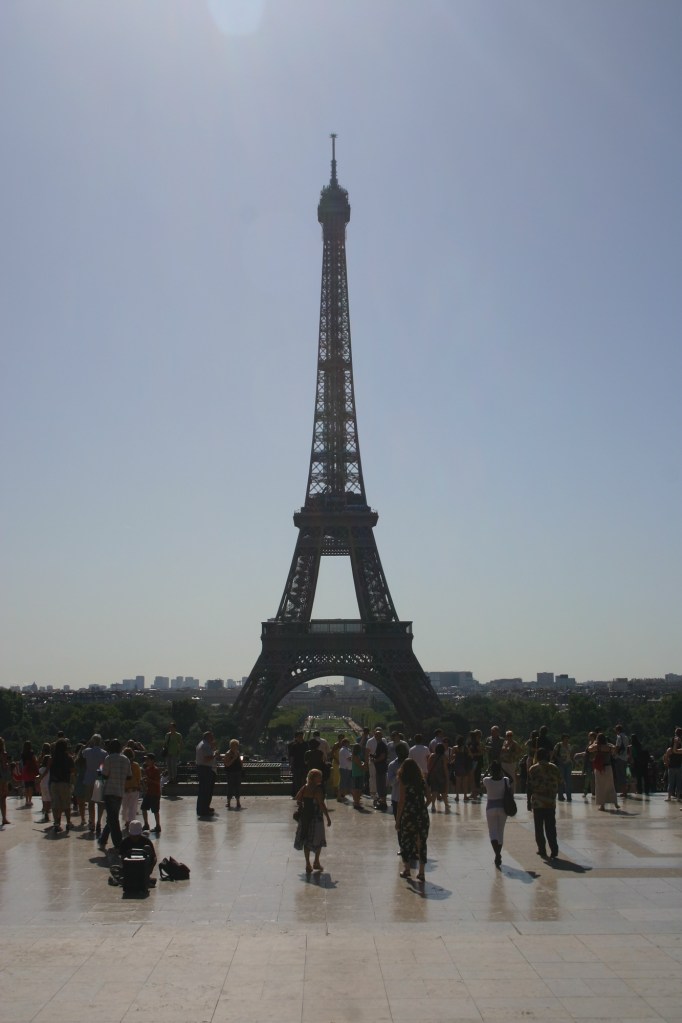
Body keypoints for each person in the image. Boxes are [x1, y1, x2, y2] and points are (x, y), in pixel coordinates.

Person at [395, 758, 429, 881]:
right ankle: (421, 872)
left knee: (406, 841)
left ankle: (407, 869)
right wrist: (422, 807)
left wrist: (398, 820)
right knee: (421, 842)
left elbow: (401, 801)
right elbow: (429, 797)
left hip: (408, 815)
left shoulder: (404, 782)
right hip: (422, 814)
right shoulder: (422, 781)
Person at [294, 768, 331, 874]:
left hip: (305, 817)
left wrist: (304, 803)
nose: (321, 778)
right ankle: (316, 862)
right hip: (316, 818)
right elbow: (322, 805)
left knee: (306, 840)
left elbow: (297, 798)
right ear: (314, 778)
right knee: (318, 839)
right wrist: (328, 817)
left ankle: (307, 864)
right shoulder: (317, 789)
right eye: (319, 776)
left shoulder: (305, 787)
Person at [98, 739, 132, 851]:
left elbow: (104, 775)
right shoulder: (126, 759)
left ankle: (118, 844)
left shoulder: (109, 758)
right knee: (112, 817)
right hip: (119, 791)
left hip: (109, 791)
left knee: (113, 818)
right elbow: (129, 776)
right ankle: (102, 839)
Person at [527, 748, 561, 858]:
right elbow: (560, 782)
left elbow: (529, 786)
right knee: (551, 827)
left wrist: (528, 801)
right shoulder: (554, 768)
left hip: (538, 803)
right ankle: (554, 849)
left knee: (539, 827)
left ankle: (542, 849)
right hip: (550, 802)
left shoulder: (533, 769)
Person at [482, 760, 510, 867]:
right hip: (503, 808)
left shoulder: (487, 780)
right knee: (500, 832)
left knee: (492, 832)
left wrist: (488, 769)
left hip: (490, 808)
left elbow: (481, 780)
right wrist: (503, 769)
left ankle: (497, 854)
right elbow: (511, 778)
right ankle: (498, 853)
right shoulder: (505, 780)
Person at [118, 820, 157, 884]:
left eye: (137, 836)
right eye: (133, 836)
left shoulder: (147, 842)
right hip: (129, 868)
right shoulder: (124, 842)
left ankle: (144, 877)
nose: (135, 838)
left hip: (143, 868)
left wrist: (150, 869)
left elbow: (154, 857)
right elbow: (120, 856)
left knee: (147, 848)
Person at [588, 733, 619, 811]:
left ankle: (602, 805)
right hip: (608, 767)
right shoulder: (608, 746)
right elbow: (615, 749)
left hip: (599, 768)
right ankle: (615, 803)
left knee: (599, 786)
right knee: (610, 785)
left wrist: (594, 743)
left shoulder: (596, 746)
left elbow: (589, 749)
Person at [49, 738, 74, 834]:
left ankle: (56, 824)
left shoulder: (52, 757)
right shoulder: (68, 757)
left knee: (56, 804)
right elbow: (73, 770)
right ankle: (68, 822)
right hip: (64, 783)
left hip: (54, 783)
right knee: (66, 804)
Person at [83, 734, 107, 834]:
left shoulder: (87, 751)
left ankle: (92, 822)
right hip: (99, 776)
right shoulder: (104, 753)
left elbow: (82, 753)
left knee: (91, 802)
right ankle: (98, 822)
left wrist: (88, 743)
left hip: (89, 776)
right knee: (100, 802)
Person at [195, 731, 218, 817]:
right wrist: (215, 754)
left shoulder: (202, 744)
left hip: (203, 768)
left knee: (204, 790)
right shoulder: (205, 745)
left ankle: (204, 808)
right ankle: (203, 810)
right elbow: (207, 758)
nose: (213, 738)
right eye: (211, 736)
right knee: (205, 790)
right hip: (205, 769)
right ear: (208, 737)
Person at [388, 741, 409, 818]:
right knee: (398, 824)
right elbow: (390, 782)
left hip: (409, 799)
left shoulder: (411, 763)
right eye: (401, 751)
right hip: (397, 798)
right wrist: (399, 775)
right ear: (397, 753)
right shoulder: (392, 765)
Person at [121, 746, 141, 829]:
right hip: (134, 788)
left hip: (124, 788)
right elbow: (138, 777)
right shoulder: (136, 765)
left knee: (124, 807)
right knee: (132, 807)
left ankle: (126, 821)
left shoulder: (122, 765)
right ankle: (131, 823)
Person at [140, 753, 162, 832]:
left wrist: (149, 780)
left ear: (152, 760)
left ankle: (158, 825)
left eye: (148, 759)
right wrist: (143, 781)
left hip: (155, 793)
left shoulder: (156, 770)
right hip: (148, 792)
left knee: (155, 810)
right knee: (143, 808)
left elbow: (158, 782)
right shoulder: (147, 770)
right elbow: (147, 781)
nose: (146, 761)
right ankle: (146, 824)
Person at [426, 743, 450, 812]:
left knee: (434, 791)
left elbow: (428, 766)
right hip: (441, 776)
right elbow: (445, 768)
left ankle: (433, 806)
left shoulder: (432, 755)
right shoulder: (443, 757)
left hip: (433, 776)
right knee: (443, 791)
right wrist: (447, 777)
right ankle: (446, 805)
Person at [449, 735, 472, 802]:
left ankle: (457, 796)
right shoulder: (466, 748)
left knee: (458, 782)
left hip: (458, 766)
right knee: (465, 782)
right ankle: (465, 796)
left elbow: (451, 758)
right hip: (465, 766)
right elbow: (470, 755)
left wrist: (455, 757)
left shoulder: (454, 748)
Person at [552, 734, 574, 802]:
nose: (567, 740)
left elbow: (570, 754)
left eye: (567, 738)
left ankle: (569, 796)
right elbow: (554, 754)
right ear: (562, 739)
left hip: (568, 764)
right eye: (565, 738)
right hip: (561, 764)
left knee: (568, 781)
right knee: (561, 780)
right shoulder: (558, 745)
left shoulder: (569, 746)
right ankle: (560, 796)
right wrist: (559, 759)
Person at [223, 739, 243, 810]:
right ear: (231, 746)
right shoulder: (228, 753)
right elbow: (226, 764)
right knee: (230, 787)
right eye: (234, 745)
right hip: (230, 772)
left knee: (237, 787)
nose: (236, 747)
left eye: (236, 745)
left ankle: (238, 801)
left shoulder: (237, 752)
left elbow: (240, 761)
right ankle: (228, 802)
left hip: (237, 771)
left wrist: (241, 762)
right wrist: (233, 758)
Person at [372, 731, 389, 811]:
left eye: (378, 735)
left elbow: (382, 756)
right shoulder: (381, 744)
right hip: (381, 768)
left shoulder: (381, 745)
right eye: (375, 735)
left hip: (381, 768)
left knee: (381, 786)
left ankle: (383, 803)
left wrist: (374, 760)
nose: (376, 736)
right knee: (381, 785)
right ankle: (383, 802)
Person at [288, 732, 308, 799]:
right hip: (296, 765)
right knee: (297, 781)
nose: (301, 738)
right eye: (299, 736)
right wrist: (291, 765)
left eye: (302, 736)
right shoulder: (294, 745)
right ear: (297, 737)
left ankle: (304, 794)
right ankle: (297, 795)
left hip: (304, 766)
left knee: (304, 781)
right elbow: (291, 757)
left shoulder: (306, 745)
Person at [20, 740, 39, 807]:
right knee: (30, 786)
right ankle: (30, 800)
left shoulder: (22, 753)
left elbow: (21, 762)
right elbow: (34, 760)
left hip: (25, 769)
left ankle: (26, 800)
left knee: (26, 786)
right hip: (31, 769)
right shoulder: (31, 752)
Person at [613, 724, 630, 800]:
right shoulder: (626, 737)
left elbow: (617, 746)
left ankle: (623, 792)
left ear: (617, 730)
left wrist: (614, 754)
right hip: (625, 758)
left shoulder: (619, 737)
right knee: (624, 774)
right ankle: (625, 790)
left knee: (620, 775)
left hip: (619, 757)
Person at [351, 743, 366, 809]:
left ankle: (356, 802)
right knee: (358, 789)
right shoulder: (356, 756)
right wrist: (364, 764)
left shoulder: (355, 755)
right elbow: (360, 766)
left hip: (357, 774)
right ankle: (356, 803)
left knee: (357, 789)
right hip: (358, 774)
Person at [0, 737, 12, 824]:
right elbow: (4, 766)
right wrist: (8, 765)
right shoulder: (3, 753)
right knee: (3, 797)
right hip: (2, 777)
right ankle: (4, 818)